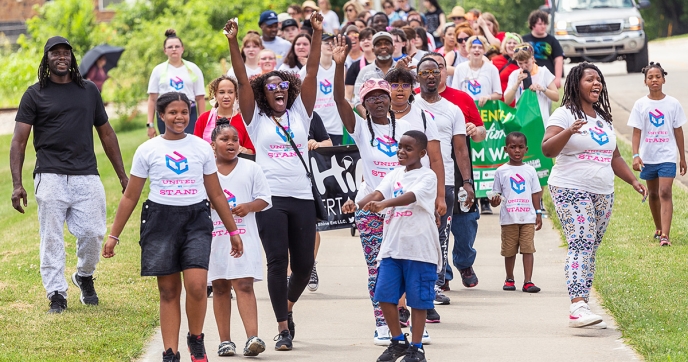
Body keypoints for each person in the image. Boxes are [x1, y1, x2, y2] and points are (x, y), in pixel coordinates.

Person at [102, 92, 244, 362]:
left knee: (198, 285)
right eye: (173, 112)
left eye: (184, 112)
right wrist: (113, 235)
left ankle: (196, 338)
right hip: (160, 220)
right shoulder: (148, 149)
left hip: (196, 220)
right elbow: (131, 195)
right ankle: (170, 352)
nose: (179, 117)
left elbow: (215, 194)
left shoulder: (201, 147)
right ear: (162, 115)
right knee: (168, 291)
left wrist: (233, 231)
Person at [225, 13, 323, 350]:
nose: (278, 90)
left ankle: (288, 308)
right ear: (263, 94)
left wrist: (318, 32)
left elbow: (311, 71)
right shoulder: (254, 118)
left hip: (302, 196)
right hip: (270, 198)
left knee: (305, 263)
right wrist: (233, 42)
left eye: (282, 86)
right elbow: (241, 79)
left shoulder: (300, 113)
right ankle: (282, 328)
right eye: (271, 87)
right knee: (277, 262)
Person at [11, 36, 128, 314]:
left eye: (66, 53)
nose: (61, 57)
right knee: (51, 237)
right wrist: (17, 184)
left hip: (86, 174)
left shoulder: (88, 90)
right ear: (47, 59)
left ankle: (84, 276)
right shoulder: (34, 93)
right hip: (49, 175)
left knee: (93, 232)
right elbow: (18, 141)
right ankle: (56, 294)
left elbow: (106, 133)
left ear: (72, 59)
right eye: (55, 53)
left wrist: (123, 175)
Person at [542, 63, 647, 328]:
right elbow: (547, 150)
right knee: (581, 242)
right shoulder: (564, 114)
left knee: (590, 247)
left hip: (603, 191)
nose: (596, 84)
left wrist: (634, 181)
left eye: (599, 80)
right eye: (590, 79)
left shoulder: (603, 118)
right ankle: (577, 305)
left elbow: (614, 157)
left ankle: (583, 304)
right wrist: (569, 131)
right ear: (577, 83)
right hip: (570, 187)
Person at [334, 37, 417, 345]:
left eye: (383, 95)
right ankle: (382, 323)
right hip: (371, 211)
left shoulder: (406, 129)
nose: (379, 101)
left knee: (406, 267)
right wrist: (341, 64)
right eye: (372, 98)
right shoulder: (360, 130)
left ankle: (407, 319)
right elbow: (339, 101)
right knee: (377, 270)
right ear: (365, 105)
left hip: (402, 209)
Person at [343, 130, 440, 362]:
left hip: (419, 248)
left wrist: (384, 203)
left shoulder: (428, 176)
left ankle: (417, 348)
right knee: (383, 294)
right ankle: (397, 341)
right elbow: (376, 192)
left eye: (408, 148)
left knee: (418, 300)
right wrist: (356, 204)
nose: (401, 152)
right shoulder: (394, 173)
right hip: (393, 247)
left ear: (422, 153)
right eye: (400, 147)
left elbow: (410, 197)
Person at [414, 57, 475, 321]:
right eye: (424, 72)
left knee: (440, 237)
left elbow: (460, 149)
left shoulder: (453, 110)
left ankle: (435, 287)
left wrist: (468, 183)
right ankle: (414, 289)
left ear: (442, 75)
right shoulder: (408, 106)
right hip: (413, 182)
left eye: (435, 71)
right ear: (417, 76)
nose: (430, 76)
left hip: (445, 181)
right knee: (415, 236)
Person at [208, 119, 271, 357]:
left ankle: (253, 338)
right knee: (220, 286)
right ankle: (225, 340)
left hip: (245, 238)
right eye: (224, 139)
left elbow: (265, 198)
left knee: (244, 285)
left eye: (235, 139)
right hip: (216, 239)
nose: (231, 143)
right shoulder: (207, 171)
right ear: (213, 145)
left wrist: (249, 206)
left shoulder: (251, 168)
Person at [628, 62, 687, 246]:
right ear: (645, 81)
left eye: (658, 77)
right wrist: (635, 155)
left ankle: (665, 237)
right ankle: (659, 228)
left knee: (665, 191)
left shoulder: (673, 104)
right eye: (650, 77)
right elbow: (636, 132)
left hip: (667, 156)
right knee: (653, 194)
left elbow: (678, 131)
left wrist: (682, 157)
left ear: (664, 79)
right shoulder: (640, 104)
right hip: (648, 157)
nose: (654, 80)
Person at [489, 131, 543, 293]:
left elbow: (535, 193)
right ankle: (510, 278)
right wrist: (494, 201)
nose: (517, 151)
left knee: (528, 249)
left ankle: (528, 281)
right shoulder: (501, 171)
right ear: (506, 149)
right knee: (509, 250)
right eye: (513, 147)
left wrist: (538, 212)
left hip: (527, 217)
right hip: (509, 218)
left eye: (520, 147)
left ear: (526, 149)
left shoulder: (530, 171)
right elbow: (495, 194)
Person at [147, 29, 205, 138]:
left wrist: (202, 122)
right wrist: (150, 124)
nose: (174, 49)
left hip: (188, 111)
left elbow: (200, 98)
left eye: (177, 46)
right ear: (165, 50)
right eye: (170, 47)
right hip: (165, 112)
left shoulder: (193, 69)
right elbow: (152, 98)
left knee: (189, 142)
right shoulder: (158, 70)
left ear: (182, 49)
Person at [299, 32, 343, 144]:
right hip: (314, 122)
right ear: (319, 46)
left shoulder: (339, 66)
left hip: (335, 124)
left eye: (332, 43)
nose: (330, 45)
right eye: (326, 43)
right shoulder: (307, 69)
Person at [193, 75, 255, 154]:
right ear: (215, 95)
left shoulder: (244, 120)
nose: (226, 96)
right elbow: (195, 147)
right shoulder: (204, 118)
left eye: (230, 92)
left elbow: (252, 151)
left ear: (236, 95)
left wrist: (244, 150)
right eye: (221, 92)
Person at [504, 43, 559, 125]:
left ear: (532, 59)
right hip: (523, 120)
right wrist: (517, 84)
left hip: (542, 120)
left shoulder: (543, 72)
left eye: (526, 62)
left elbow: (556, 97)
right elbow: (507, 101)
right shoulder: (515, 75)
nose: (524, 66)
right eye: (520, 63)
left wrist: (543, 89)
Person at [451, 35, 501, 108]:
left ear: (484, 50)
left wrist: (488, 97)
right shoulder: (460, 68)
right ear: (469, 49)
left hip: (485, 110)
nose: (477, 50)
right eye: (473, 47)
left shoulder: (492, 69)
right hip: (465, 109)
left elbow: (498, 94)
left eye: (480, 47)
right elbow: (454, 93)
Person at [353, 31, 396, 115]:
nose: (383, 46)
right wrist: (369, 118)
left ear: (393, 47)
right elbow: (358, 100)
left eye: (387, 43)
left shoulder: (401, 69)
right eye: (379, 44)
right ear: (373, 49)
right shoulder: (365, 72)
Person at [523, 10, 564, 88]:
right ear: (532, 25)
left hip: (547, 77)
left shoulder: (552, 40)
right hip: (528, 76)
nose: (543, 26)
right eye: (540, 24)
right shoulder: (525, 39)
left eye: (545, 24)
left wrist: (558, 78)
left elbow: (559, 59)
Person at [345, 27, 377, 102]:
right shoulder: (354, 66)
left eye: (369, 39)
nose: (366, 41)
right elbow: (348, 95)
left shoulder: (384, 63)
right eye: (362, 40)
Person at [491, 32, 522, 105]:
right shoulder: (495, 60)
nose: (512, 45)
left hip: (517, 102)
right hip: (497, 103)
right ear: (505, 45)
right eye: (509, 43)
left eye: (515, 43)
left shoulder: (523, 63)